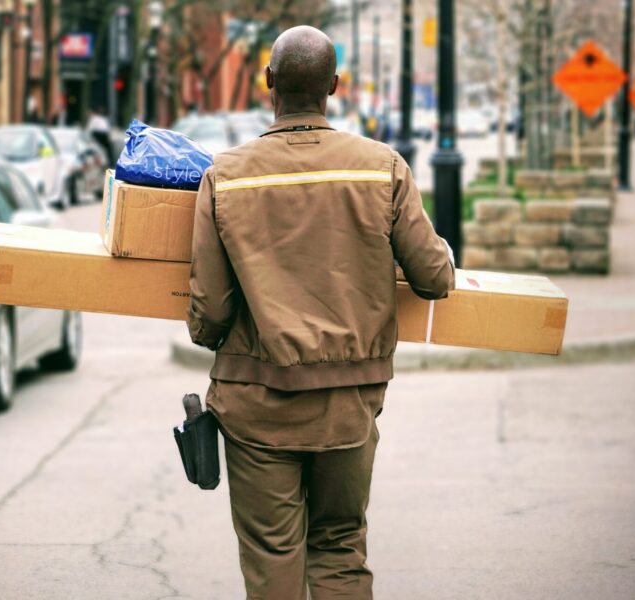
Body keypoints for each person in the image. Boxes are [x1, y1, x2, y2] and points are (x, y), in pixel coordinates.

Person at [187, 25, 454, 599]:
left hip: (256, 404)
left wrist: (216, 334)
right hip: (349, 406)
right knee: (338, 548)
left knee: (272, 556)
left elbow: (209, 310)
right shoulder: (381, 167)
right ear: (334, 85)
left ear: (268, 84)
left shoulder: (226, 176)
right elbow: (434, 279)